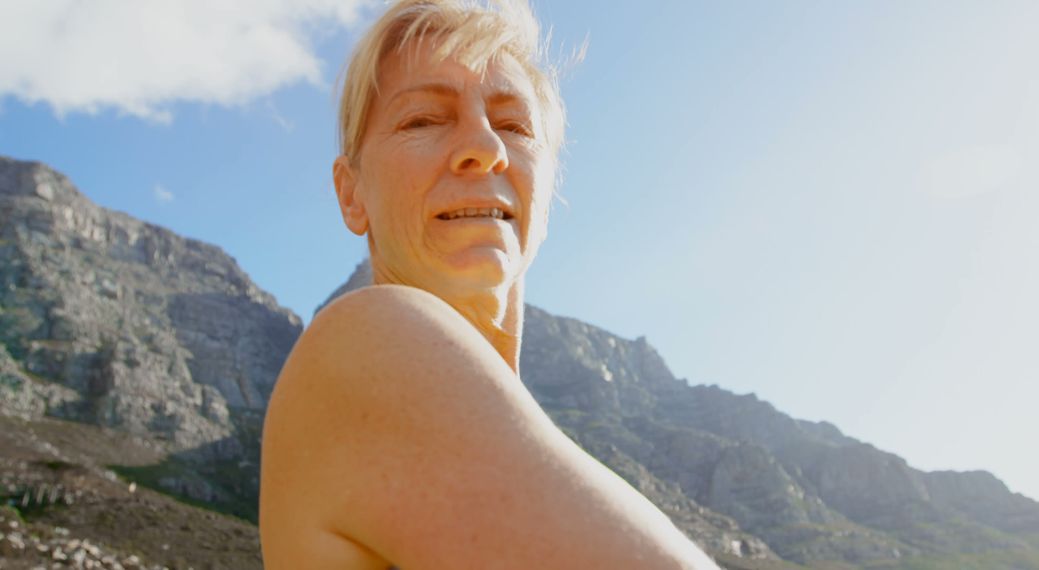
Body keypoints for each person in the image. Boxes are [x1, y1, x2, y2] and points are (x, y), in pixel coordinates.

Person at [258, 1, 720, 568]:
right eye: (424, 119)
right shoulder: (364, 339)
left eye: (514, 125)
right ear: (351, 194)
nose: (487, 147)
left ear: (547, 190)